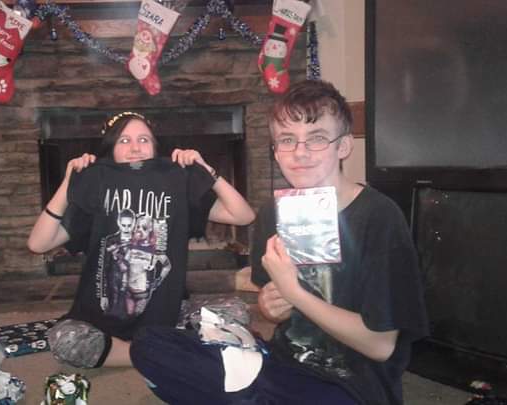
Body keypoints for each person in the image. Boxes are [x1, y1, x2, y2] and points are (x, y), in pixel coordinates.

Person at [130, 80, 429, 405]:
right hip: (281, 363)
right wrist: (269, 308)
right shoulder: (274, 212)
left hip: (351, 383)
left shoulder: (379, 216)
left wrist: (294, 292)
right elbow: (273, 312)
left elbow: (381, 346)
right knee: (149, 344)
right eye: (287, 140)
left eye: (317, 138)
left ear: (343, 146)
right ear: (275, 150)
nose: (300, 152)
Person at [27, 111, 255, 368]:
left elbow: (244, 216)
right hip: (104, 319)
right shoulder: (98, 186)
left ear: (156, 148)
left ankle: (139, 350)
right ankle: (161, 352)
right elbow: (38, 244)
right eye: (124, 140)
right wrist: (69, 182)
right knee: (65, 340)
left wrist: (207, 170)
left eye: (143, 140)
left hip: (168, 314)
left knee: (236, 311)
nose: (135, 148)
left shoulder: (175, 184)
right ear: (111, 149)